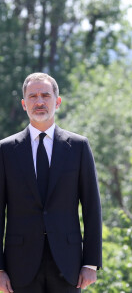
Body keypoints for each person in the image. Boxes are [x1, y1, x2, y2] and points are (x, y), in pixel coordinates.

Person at [0, 73, 102, 293]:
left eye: (45, 95)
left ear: (57, 101)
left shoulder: (78, 147)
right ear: (24, 104)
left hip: (69, 265)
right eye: (33, 96)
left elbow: (92, 208)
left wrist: (90, 263)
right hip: (19, 265)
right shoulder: (5, 150)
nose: (39, 101)